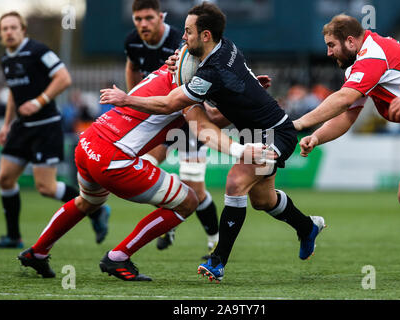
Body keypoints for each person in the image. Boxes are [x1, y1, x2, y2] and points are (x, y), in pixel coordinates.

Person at [100, 1, 325, 283]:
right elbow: (208, 70)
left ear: (206, 35)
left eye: (188, 32)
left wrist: (126, 98)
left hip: (276, 133)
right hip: (253, 132)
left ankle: (217, 261)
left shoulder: (212, 73)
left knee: (235, 183)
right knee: (263, 200)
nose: (183, 37)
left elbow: (170, 103)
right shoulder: (225, 45)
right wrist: (180, 62)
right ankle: (307, 227)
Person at [17, 63, 269, 281]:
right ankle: (118, 257)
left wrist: (242, 98)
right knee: (188, 201)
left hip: (88, 144)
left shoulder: (167, 70)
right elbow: (205, 126)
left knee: (88, 201)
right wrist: (240, 149)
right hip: (113, 158)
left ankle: (37, 252)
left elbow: (212, 115)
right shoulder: (187, 90)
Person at [294, 14, 400, 281]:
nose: (328, 52)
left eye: (331, 45)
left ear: (350, 41)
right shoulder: (363, 62)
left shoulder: (373, 57)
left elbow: (344, 99)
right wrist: (316, 136)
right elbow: (348, 115)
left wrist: (300, 123)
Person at [0, 11, 110, 248]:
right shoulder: (7, 59)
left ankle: (95, 209)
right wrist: (7, 124)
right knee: (5, 179)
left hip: (45, 127)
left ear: (23, 30)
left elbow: (64, 78)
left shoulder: (39, 51)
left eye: (13, 27)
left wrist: (39, 101)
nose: (8, 32)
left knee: (46, 188)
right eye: (4, 29)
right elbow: (14, 96)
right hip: (21, 127)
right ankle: (14, 236)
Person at [125, 0, 220, 257]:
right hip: (160, 118)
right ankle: (169, 220)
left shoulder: (180, 42)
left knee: (195, 191)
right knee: (141, 167)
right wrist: (133, 99)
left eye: (148, 18)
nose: (143, 24)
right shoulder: (132, 41)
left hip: (188, 118)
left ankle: (215, 239)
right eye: (138, 19)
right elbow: (133, 66)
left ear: (161, 17)